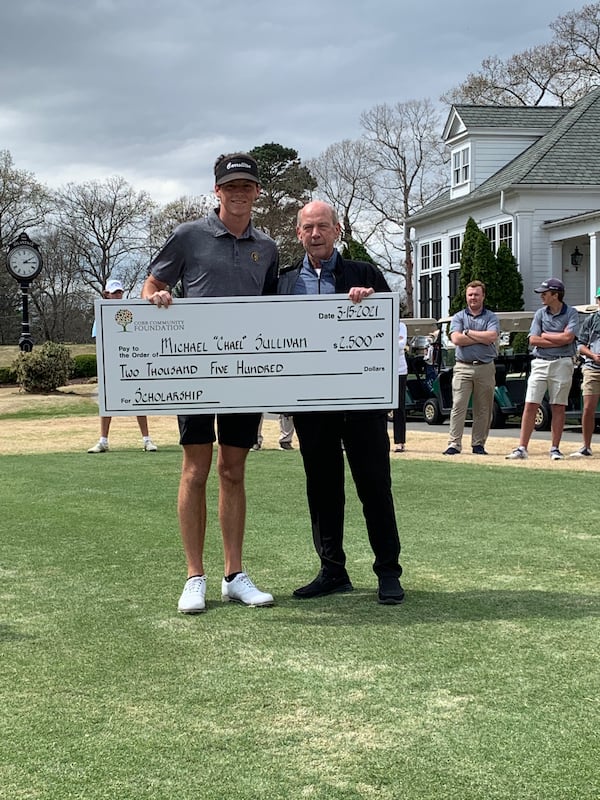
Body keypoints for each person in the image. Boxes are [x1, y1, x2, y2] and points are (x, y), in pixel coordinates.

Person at [141, 152, 279, 613]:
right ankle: (194, 576)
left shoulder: (269, 246)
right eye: (230, 186)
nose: (239, 193)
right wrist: (158, 297)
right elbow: (151, 285)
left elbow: (274, 310)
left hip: (247, 374)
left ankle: (234, 575)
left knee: (233, 471)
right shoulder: (189, 236)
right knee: (196, 470)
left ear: (258, 192)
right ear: (216, 191)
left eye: (247, 186)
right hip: (194, 373)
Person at [278, 200, 404, 605]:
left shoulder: (364, 273)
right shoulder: (282, 283)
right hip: (310, 406)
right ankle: (332, 570)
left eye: (323, 227)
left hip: (362, 404)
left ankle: (388, 572)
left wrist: (369, 302)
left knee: (375, 486)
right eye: (308, 228)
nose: (315, 234)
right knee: (323, 489)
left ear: (337, 230)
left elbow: (390, 326)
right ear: (298, 234)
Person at [506, 278, 578, 461]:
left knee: (558, 406)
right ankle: (522, 447)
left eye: (545, 293)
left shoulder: (571, 313)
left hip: (562, 362)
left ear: (556, 295)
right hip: (540, 361)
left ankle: (555, 448)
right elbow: (533, 340)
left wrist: (546, 335)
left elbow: (569, 338)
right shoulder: (540, 314)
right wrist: (556, 337)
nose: (542, 296)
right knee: (531, 404)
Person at [87, 279, 158, 454]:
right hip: (111, 367)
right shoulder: (101, 316)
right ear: (107, 295)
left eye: (120, 292)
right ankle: (103, 441)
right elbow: (100, 343)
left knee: (138, 401)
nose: (118, 295)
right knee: (107, 403)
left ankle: (147, 440)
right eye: (114, 293)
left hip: (131, 363)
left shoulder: (130, 312)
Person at [443, 281, 500, 456]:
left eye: (476, 294)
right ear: (466, 296)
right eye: (470, 295)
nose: (473, 298)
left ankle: (478, 444)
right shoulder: (459, 317)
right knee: (458, 406)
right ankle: (454, 444)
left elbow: (492, 336)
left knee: (483, 408)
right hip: (463, 368)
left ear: (483, 296)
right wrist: (479, 338)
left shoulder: (491, 317)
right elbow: (456, 339)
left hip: (485, 367)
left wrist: (468, 333)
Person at [569, 288, 600, 457]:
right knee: (588, 408)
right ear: (597, 301)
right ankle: (586, 446)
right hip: (592, 369)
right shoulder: (591, 320)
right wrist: (593, 355)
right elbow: (580, 345)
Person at [392, 319, 408, 453]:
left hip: (399, 370)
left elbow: (401, 344)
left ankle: (400, 441)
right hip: (381, 370)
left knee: (399, 407)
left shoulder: (401, 325)